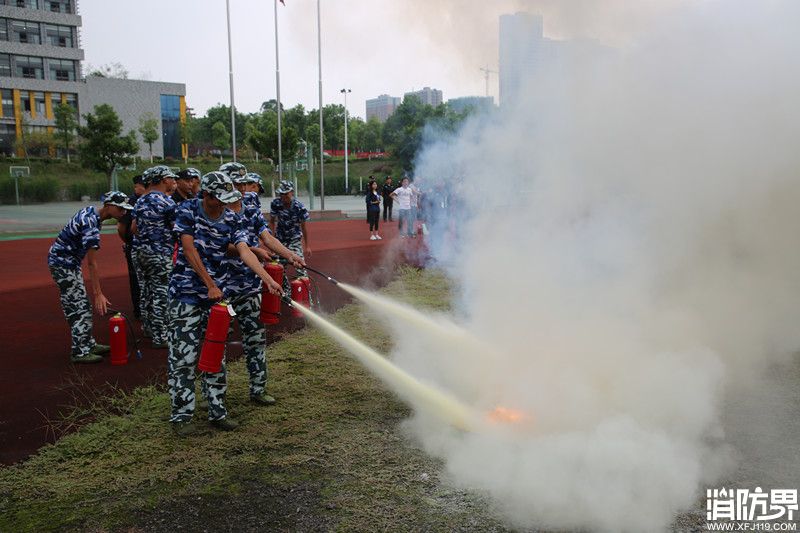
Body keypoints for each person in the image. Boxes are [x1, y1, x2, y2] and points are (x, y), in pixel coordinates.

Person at [168, 171, 284, 436]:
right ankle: (181, 416)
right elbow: (189, 250)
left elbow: (242, 249)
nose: (222, 204)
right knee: (183, 358)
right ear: (206, 194)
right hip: (187, 294)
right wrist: (209, 284)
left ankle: (217, 411)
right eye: (218, 199)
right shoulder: (187, 211)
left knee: (215, 354)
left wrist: (266, 278)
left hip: (216, 298)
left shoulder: (231, 217)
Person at [222, 196, 304, 406]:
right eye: (236, 184)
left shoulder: (250, 211)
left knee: (256, 339)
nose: (241, 189)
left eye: (244, 184)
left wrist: (291, 255)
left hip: (249, 286)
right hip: (222, 288)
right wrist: (254, 251)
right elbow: (219, 246)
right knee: (216, 341)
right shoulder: (216, 212)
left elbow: (268, 239)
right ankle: (214, 394)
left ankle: (258, 388)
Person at [48, 192, 134, 363]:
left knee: (80, 304)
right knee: (78, 307)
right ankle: (80, 352)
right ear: (108, 205)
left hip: (67, 263)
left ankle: (87, 343)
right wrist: (98, 293)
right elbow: (92, 264)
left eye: (125, 210)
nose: (123, 213)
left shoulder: (91, 213)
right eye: (120, 209)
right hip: (64, 265)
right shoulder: (91, 224)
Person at [132, 166, 177, 349]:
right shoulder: (167, 202)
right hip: (160, 253)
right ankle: (161, 336)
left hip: (140, 252)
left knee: (147, 291)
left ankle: (148, 328)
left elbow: (134, 228)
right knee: (161, 293)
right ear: (160, 179)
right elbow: (176, 228)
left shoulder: (140, 201)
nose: (171, 180)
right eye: (168, 177)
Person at [269, 180, 311, 297]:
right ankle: (286, 293)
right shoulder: (276, 204)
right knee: (278, 268)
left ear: (292, 193)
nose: (284, 197)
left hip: (294, 240)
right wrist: (272, 241)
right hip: (280, 241)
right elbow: (272, 222)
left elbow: (304, 228)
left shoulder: (299, 207)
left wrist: (307, 246)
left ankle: (307, 295)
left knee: (300, 267)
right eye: (281, 194)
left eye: (286, 194)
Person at [117, 175, 144, 319]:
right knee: (135, 279)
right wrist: (128, 241)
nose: (137, 188)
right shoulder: (132, 202)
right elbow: (121, 227)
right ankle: (138, 310)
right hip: (134, 246)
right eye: (137, 186)